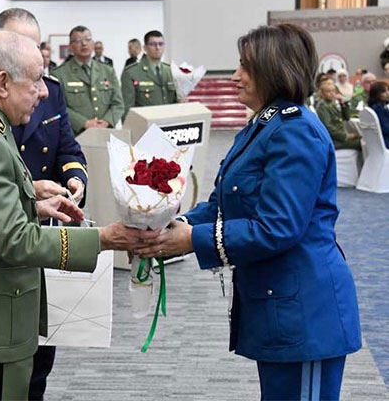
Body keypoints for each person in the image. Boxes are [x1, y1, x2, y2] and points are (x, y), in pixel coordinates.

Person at [0, 30, 157, 401]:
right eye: (36, 79)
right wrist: (105, 239)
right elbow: (15, 240)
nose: (43, 91)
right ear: (2, 83)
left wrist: (30, 202)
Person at [136, 23, 361, 401]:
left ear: (275, 70)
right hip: (280, 306)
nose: (235, 76)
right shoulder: (263, 125)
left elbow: (278, 227)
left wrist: (191, 239)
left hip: (305, 313)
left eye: (245, 67)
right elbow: (228, 202)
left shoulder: (295, 130)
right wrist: (176, 224)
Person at [0, 8, 94, 400]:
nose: (41, 87)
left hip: (39, 237)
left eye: (38, 47)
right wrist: (105, 239)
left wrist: (73, 179)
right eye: (22, 47)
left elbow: (66, 147)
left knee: (39, 357)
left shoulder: (50, 89)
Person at [53, 25, 124, 135]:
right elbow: (57, 106)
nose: (84, 43)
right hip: (76, 135)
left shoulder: (108, 71)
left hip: (106, 133)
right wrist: (84, 123)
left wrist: (106, 122)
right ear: (70, 47)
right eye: (78, 41)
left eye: (88, 39)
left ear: (93, 43)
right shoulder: (59, 74)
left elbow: (118, 104)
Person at [120, 30, 177, 120]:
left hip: (168, 125)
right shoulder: (132, 72)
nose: (158, 47)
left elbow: (176, 103)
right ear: (145, 48)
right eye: (153, 44)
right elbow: (127, 110)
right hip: (145, 128)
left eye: (161, 44)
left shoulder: (170, 71)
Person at [317, 79, 361, 150]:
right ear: (322, 93)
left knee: (363, 139)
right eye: (328, 91)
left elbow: (347, 117)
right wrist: (345, 136)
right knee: (361, 143)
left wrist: (343, 103)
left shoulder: (333, 103)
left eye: (333, 91)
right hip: (334, 140)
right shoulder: (322, 106)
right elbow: (328, 127)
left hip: (340, 136)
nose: (331, 93)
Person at [368, 80, 389, 148]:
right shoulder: (378, 109)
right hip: (386, 141)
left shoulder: (376, 106)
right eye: (384, 92)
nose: (387, 93)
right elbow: (386, 128)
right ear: (377, 94)